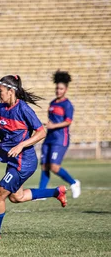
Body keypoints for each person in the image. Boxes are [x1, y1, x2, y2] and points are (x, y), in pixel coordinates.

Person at [0, 75, 67, 240]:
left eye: (0, 91)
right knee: (16, 197)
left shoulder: (23, 109)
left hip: (24, 162)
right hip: (14, 161)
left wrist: (21, 145)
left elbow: (41, 132)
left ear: (11, 91)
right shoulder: (0, 108)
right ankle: (56, 192)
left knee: (0, 194)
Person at [38, 70, 80, 198]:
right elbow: (53, 120)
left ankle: (74, 183)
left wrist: (53, 125)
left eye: (61, 88)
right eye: (57, 88)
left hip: (60, 138)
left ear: (66, 89)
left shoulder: (67, 104)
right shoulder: (52, 103)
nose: (58, 91)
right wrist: (47, 124)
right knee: (44, 165)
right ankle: (41, 193)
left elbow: (68, 121)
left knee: (54, 167)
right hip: (49, 137)